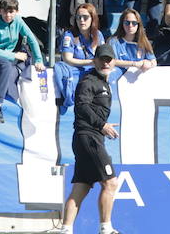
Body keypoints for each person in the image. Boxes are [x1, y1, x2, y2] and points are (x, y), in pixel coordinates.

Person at [58, 43, 120, 234]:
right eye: (102, 59)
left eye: (109, 60)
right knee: (111, 182)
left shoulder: (104, 82)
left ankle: (66, 230)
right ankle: (105, 228)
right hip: (88, 136)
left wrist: (101, 128)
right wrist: (102, 125)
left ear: (114, 63)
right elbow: (81, 107)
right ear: (94, 61)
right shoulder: (89, 81)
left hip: (89, 137)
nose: (105, 63)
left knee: (81, 186)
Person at [0, 0, 45, 123]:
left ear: (16, 11)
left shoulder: (18, 21)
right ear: (0, 11)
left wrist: (38, 60)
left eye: (11, 12)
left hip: (6, 56)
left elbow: (32, 40)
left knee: (16, 64)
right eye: (4, 12)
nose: (8, 15)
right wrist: (15, 55)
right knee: (6, 65)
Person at [54, 3, 105, 109]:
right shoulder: (69, 35)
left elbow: (103, 55)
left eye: (85, 17)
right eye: (78, 17)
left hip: (93, 72)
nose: (81, 20)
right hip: (75, 70)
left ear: (92, 18)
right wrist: (90, 62)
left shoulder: (98, 35)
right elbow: (68, 59)